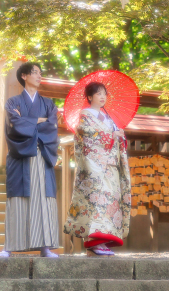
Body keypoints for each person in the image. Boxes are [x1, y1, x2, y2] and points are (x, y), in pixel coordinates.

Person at [0, 62, 60, 258]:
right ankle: (9, 247)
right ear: (24, 76)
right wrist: (37, 121)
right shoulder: (12, 102)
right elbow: (14, 125)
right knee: (18, 199)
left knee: (44, 200)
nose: (39, 76)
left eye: (40, 73)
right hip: (21, 156)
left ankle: (45, 247)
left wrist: (29, 122)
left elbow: (51, 126)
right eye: (35, 73)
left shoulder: (48, 103)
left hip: (42, 155)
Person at [64, 82, 131, 256]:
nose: (102, 97)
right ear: (90, 97)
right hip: (94, 167)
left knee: (109, 203)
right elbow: (85, 134)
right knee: (96, 202)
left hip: (110, 167)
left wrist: (119, 136)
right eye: (98, 94)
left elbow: (114, 140)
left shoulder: (107, 118)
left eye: (104, 94)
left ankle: (103, 241)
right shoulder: (86, 115)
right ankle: (94, 242)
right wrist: (110, 134)